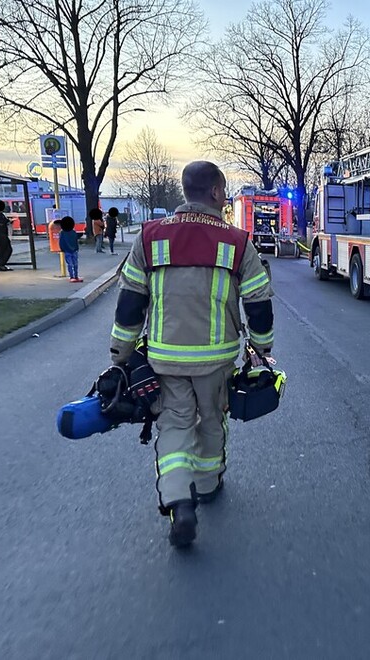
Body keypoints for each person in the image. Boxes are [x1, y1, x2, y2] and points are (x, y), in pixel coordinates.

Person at [110, 160, 275, 548]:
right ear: (217, 193)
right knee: (213, 420)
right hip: (216, 360)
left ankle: (178, 499)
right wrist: (262, 346)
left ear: (185, 192)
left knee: (175, 425)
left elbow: (130, 302)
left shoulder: (150, 237)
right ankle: (208, 482)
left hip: (165, 359)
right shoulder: (237, 241)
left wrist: (122, 352)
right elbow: (259, 302)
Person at [58, 216, 83, 283]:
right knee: (74, 264)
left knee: (71, 264)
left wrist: (62, 249)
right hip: (73, 250)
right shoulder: (73, 232)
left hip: (68, 250)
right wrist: (77, 248)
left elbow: (61, 241)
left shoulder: (62, 233)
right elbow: (75, 241)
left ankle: (73, 277)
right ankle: (74, 276)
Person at [0, 200, 14, 270]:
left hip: (1, 233)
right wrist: (8, 221)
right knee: (8, 249)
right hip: (0, 234)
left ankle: (2, 265)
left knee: (2, 250)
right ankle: (1, 264)